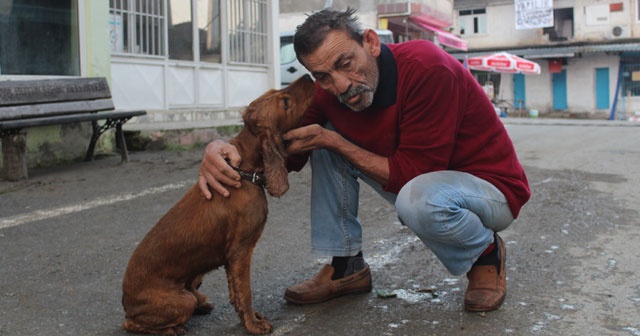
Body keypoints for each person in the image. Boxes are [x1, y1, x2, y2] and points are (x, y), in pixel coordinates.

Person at [198, 7, 530, 312]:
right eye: (323, 76)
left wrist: (334, 141)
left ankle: (485, 255)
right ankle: (347, 267)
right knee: (323, 139)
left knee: (415, 197)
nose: (340, 85)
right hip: (422, 181)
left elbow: (415, 174)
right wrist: (222, 149)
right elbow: (284, 151)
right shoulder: (329, 92)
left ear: (370, 43)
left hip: (489, 190)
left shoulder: (428, 67)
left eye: (345, 64)